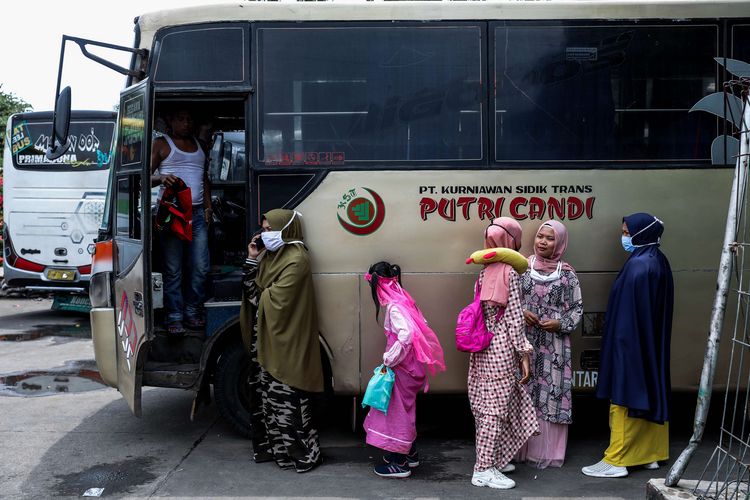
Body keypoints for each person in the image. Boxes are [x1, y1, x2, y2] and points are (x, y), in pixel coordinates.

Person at [582, 213, 673, 478]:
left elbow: (628, 315)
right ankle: (650, 454)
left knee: (625, 396)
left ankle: (617, 459)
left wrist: (620, 349)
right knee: (650, 391)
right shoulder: (657, 260)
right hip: (648, 344)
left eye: (626, 231)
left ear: (641, 233)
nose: (624, 237)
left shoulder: (638, 266)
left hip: (629, 344)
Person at [241, 209, 323, 473]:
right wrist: (253, 260)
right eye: (263, 229)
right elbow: (256, 293)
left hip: (287, 343)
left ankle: (305, 457)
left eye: (269, 229)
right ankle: (282, 455)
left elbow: (267, 301)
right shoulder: (272, 257)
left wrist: (258, 285)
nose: (265, 234)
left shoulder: (297, 259)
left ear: (286, 229)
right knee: (268, 403)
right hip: (266, 340)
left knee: (288, 404)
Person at [468, 217, 539, 490]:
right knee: (494, 412)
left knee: (484, 409)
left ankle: (493, 458)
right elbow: (513, 319)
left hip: (481, 351)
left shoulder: (484, 271)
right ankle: (484, 469)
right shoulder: (510, 273)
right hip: (500, 352)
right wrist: (524, 354)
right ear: (511, 241)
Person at [363, 261, 446, 479]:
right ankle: (410, 453)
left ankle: (398, 463)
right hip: (413, 367)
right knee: (405, 410)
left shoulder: (393, 307)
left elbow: (407, 334)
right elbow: (421, 325)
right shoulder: (405, 300)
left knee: (396, 414)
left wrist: (389, 359)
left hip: (402, 368)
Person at [516, 220, 583, 469]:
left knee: (551, 392)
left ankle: (546, 452)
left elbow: (577, 310)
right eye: (540, 236)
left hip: (554, 345)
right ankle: (518, 449)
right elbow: (509, 300)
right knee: (524, 389)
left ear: (560, 243)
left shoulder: (566, 274)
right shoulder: (523, 267)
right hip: (525, 342)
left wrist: (560, 323)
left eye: (550, 238)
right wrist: (522, 312)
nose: (542, 242)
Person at [151, 108, 212, 334]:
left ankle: (192, 311)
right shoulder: (161, 144)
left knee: (200, 266)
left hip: (196, 214)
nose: (185, 123)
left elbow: (204, 179)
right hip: (172, 213)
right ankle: (174, 316)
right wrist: (160, 177)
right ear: (170, 120)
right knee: (173, 268)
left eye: (189, 119)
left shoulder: (200, 146)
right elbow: (143, 177)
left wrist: (208, 206)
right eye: (180, 118)